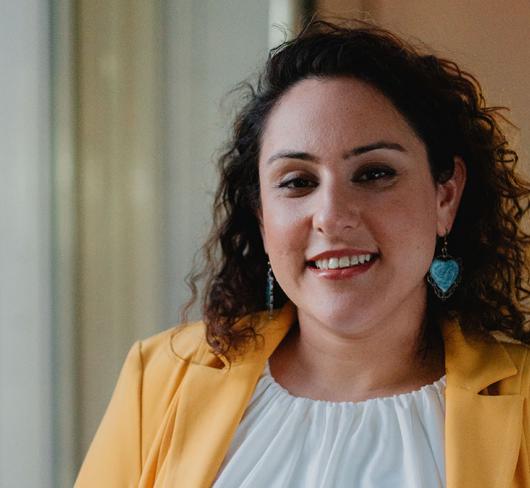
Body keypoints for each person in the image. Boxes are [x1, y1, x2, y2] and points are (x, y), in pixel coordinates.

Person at [75, 19, 530, 487]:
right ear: (261, 216)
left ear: (445, 196)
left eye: (374, 173)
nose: (331, 216)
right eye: (297, 182)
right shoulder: (160, 377)